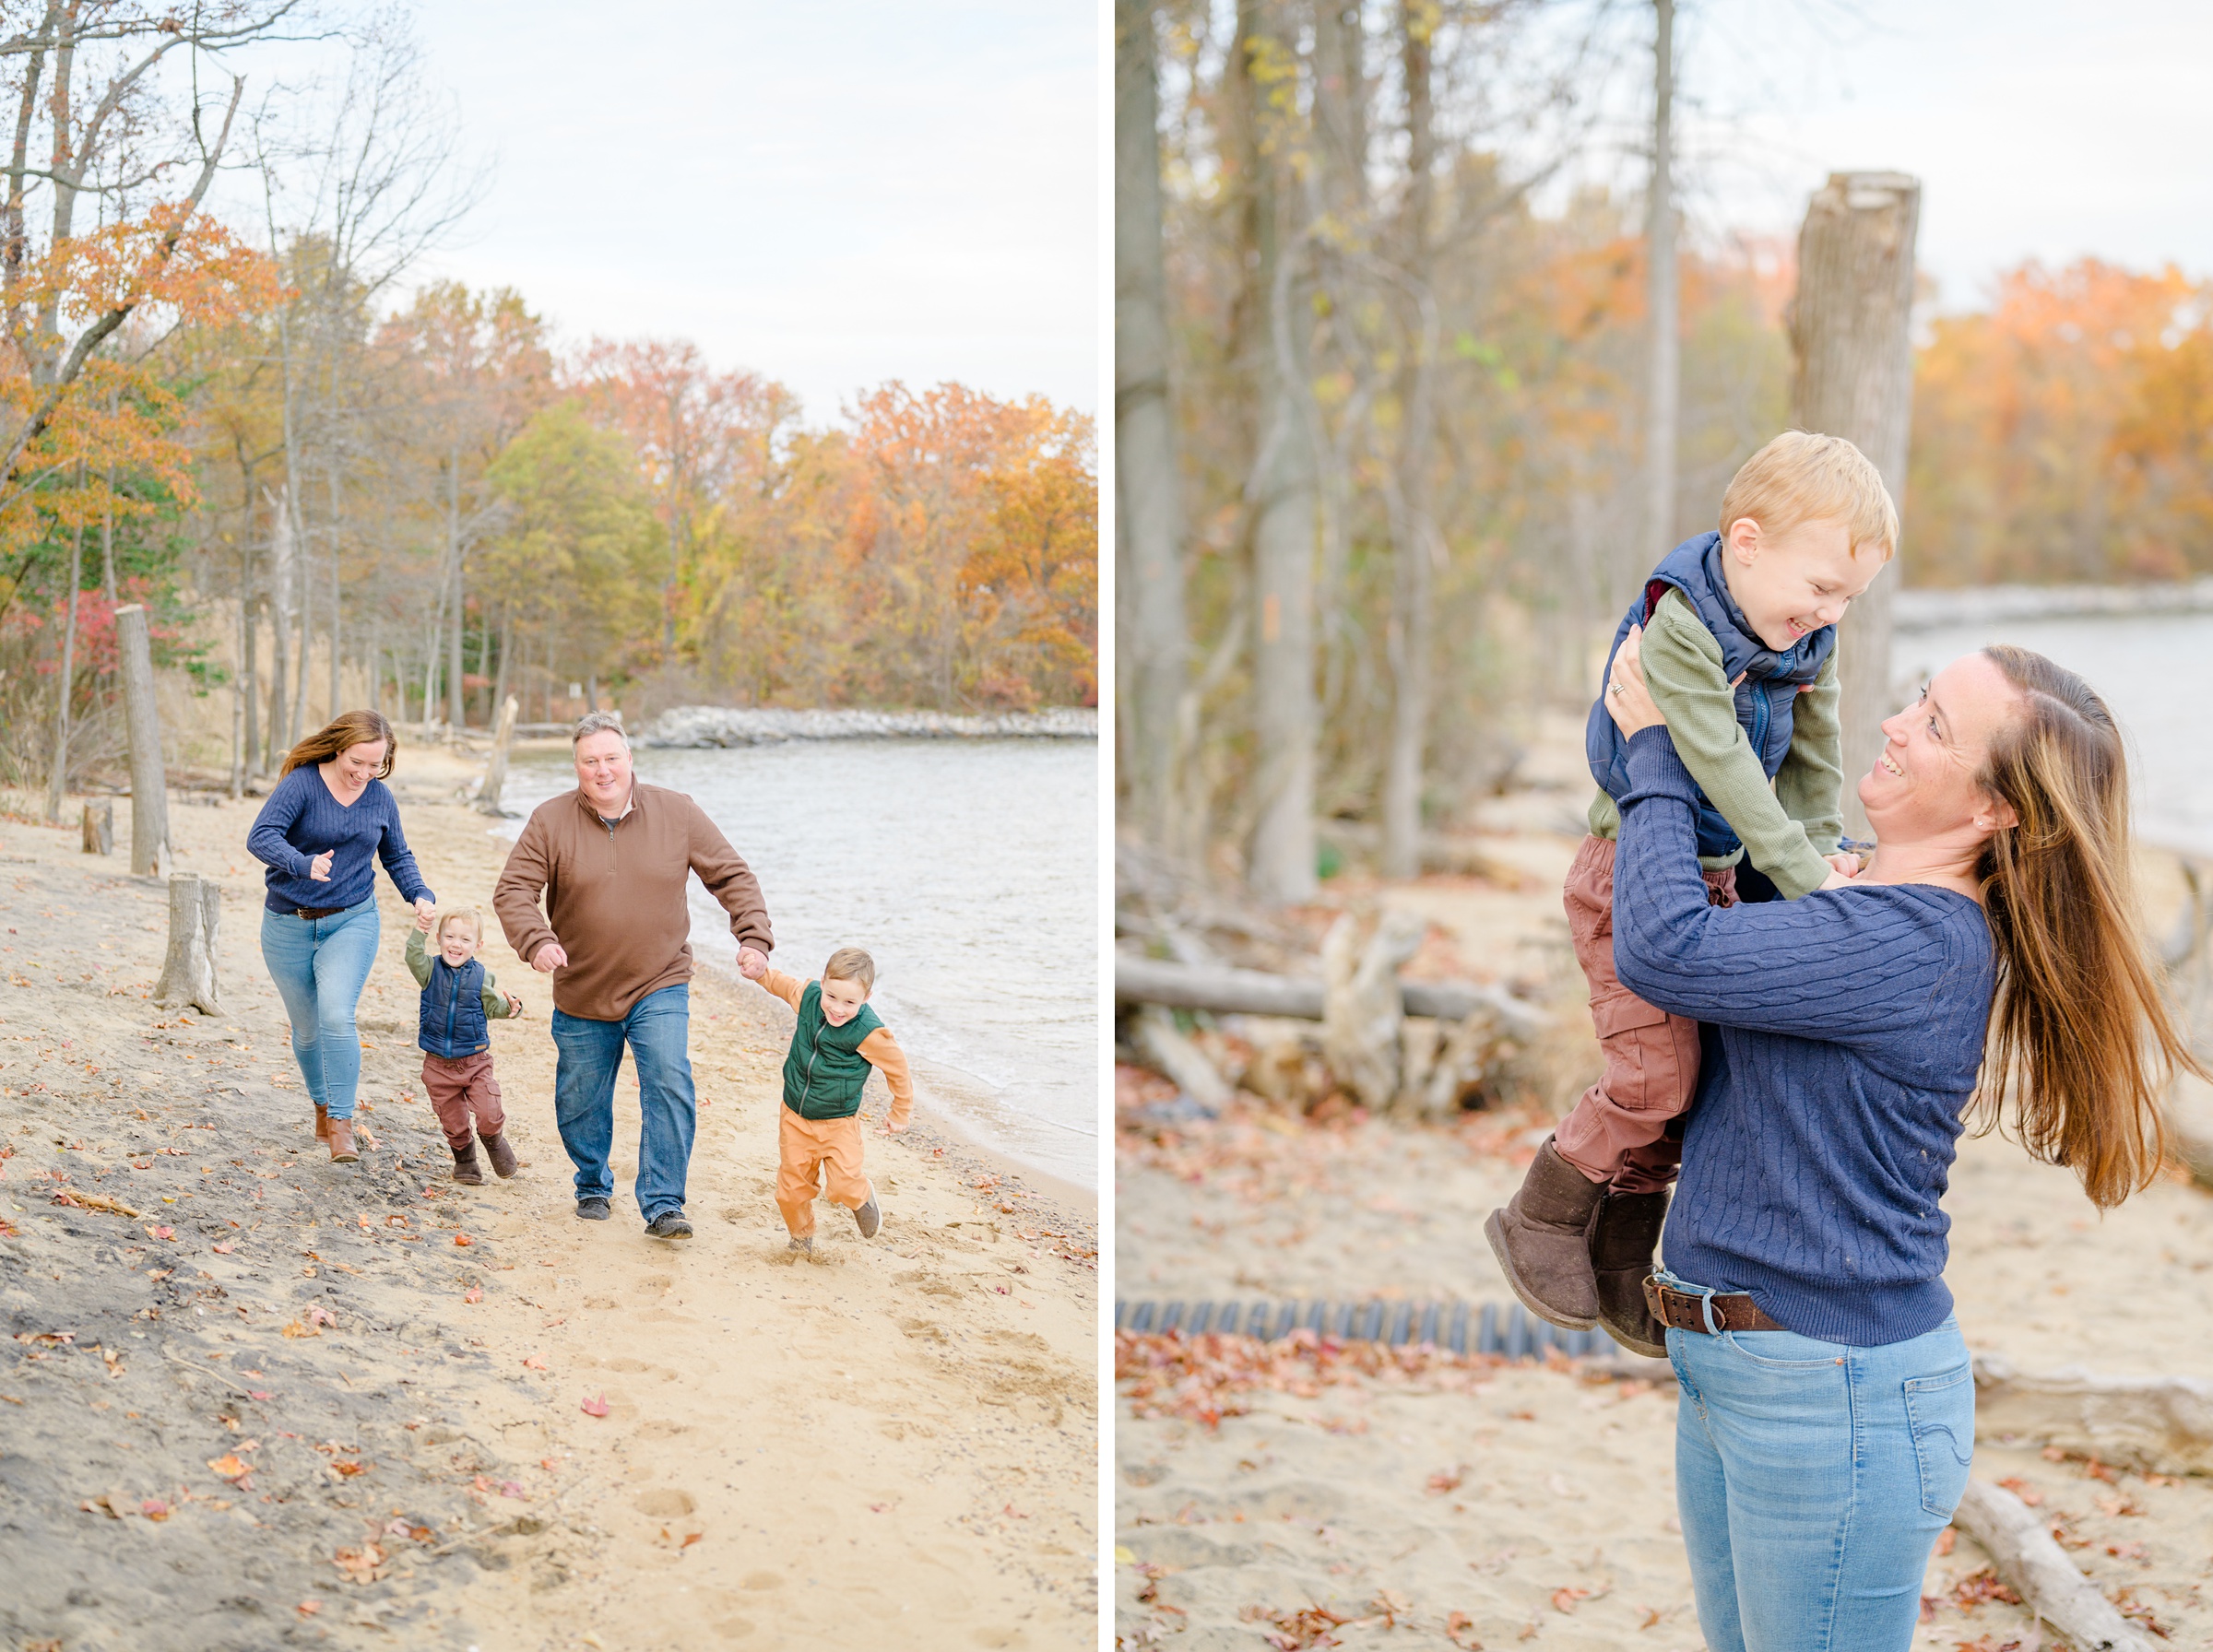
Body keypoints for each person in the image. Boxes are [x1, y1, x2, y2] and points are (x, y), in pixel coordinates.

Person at [1597, 630, 2196, 1651]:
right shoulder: (1854, 895)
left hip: (1832, 1399)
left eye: (1933, 725)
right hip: (1734, 1368)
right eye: (1920, 698)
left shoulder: (1911, 942)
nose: (1894, 723)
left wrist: (1656, 747)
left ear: (1992, 809)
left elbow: (1663, 948)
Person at [1486, 431, 1894, 1354]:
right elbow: (1714, 758)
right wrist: (1798, 873)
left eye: (1847, 599)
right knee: (1651, 1076)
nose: (1830, 612)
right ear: (1747, 543)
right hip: (1626, 870)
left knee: (1695, 1083)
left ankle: (1625, 1256)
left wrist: (1823, 845)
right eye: (1821, 587)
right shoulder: (1677, 631)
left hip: (1712, 878)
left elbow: (1814, 747)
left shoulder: (1800, 636)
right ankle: (1542, 1216)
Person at [492, 710, 773, 1239]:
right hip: (582, 984)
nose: (603, 770)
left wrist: (753, 937)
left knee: (669, 1080)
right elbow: (513, 891)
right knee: (581, 1097)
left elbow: (731, 875)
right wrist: (538, 941)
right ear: (576, 766)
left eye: (611, 758)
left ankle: (664, 1203)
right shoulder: (550, 820)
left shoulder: (678, 812)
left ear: (629, 759)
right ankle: (593, 1183)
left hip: (659, 978)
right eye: (590, 760)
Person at [247, 710, 434, 1163]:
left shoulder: (379, 798)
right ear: (338, 748)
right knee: (308, 1031)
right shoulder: (303, 785)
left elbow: (397, 855)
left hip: (352, 919)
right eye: (358, 762)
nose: (365, 774)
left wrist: (419, 894)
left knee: (336, 1016)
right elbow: (261, 837)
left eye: (376, 766)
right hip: (287, 923)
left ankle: (342, 1124)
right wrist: (302, 862)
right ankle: (322, 1105)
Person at [743, 945, 913, 1254]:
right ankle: (801, 1237)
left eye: (850, 1002)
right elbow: (782, 984)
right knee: (790, 1190)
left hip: (839, 1122)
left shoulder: (868, 1032)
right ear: (822, 983)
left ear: (867, 998)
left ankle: (861, 1197)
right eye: (831, 996)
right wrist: (759, 972)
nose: (837, 1008)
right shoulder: (809, 998)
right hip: (795, 1116)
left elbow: (898, 1068)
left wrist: (900, 1111)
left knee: (843, 1185)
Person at [405, 906, 525, 1186]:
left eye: (465, 939)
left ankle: (495, 1144)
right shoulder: (429, 970)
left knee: (489, 1111)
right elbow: (412, 956)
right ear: (439, 938)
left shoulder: (482, 976)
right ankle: (466, 1163)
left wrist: (511, 1007)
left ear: (477, 945)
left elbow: (493, 1006)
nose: (456, 944)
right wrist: (419, 930)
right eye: (449, 937)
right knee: (453, 1121)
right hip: (437, 1064)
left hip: (474, 1061)